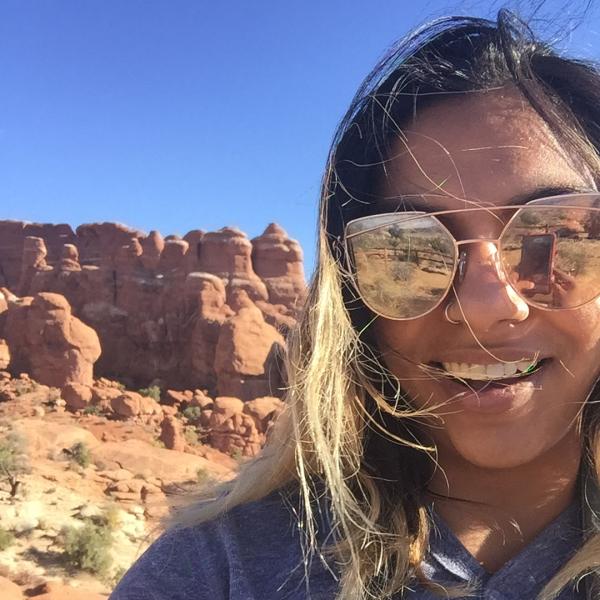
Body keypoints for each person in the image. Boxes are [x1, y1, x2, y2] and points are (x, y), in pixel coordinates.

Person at [110, 10, 600, 600]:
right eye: (407, 250)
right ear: (350, 298)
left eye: (555, 237)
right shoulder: (220, 571)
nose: (486, 305)